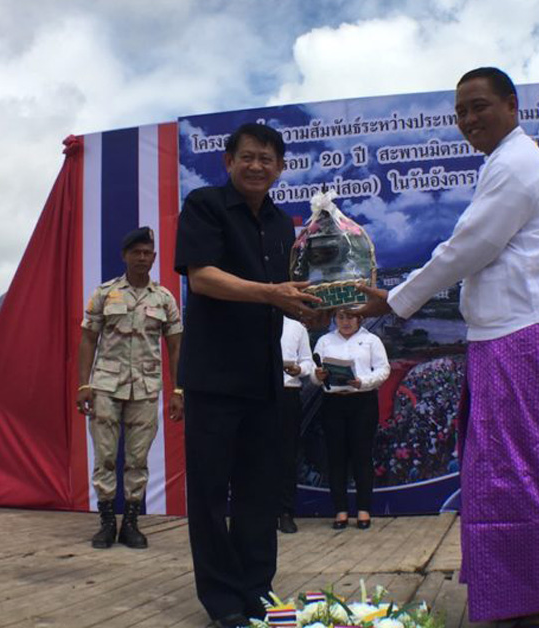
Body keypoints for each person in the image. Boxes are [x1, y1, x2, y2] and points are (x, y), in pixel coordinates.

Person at [354, 67, 539, 628]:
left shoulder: (515, 165)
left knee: (523, 468)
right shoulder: (503, 164)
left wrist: (395, 300)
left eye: (478, 106)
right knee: (503, 467)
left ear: (511, 105)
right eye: (460, 113)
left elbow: (467, 248)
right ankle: (522, 592)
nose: (468, 120)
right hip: (507, 336)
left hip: (522, 336)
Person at [175, 122, 321, 628]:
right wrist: (273, 293)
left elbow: (288, 293)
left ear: (280, 168)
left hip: (264, 376)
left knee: (260, 491)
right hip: (212, 376)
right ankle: (222, 601)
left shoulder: (285, 225)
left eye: (267, 159)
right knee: (212, 493)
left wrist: (309, 309)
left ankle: (257, 589)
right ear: (228, 161)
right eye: (248, 157)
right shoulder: (204, 206)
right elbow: (202, 277)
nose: (257, 166)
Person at [76, 226, 183, 550]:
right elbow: (88, 339)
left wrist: (178, 391)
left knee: (137, 459)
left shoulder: (164, 298)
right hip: (106, 386)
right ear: (124, 255)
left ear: (153, 257)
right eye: (135, 252)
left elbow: (176, 346)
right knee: (105, 457)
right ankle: (107, 523)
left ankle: (132, 524)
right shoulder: (105, 293)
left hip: (146, 389)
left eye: (147, 253)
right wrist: (84, 383)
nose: (141, 257)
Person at [310, 309, 390, 530]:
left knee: (362, 456)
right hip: (333, 402)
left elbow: (384, 369)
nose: (345, 322)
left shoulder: (371, 340)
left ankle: (363, 510)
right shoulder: (325, 341)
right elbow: (313, 373)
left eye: (350, 317)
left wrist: (362, 381)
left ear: (359, 318)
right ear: (335, 319)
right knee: (336, 457)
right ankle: (341, 510)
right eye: (341, 318)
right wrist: (318, 376)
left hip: (362, 402)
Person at [277, 316, 315, 534]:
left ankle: (285, 511)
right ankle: (261, 511)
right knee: (256, 454)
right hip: (257, 393)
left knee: (287, 454)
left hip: (287, 392)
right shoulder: (252, 319)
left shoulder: (296, 327)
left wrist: (298, 370)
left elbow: (308, 362)